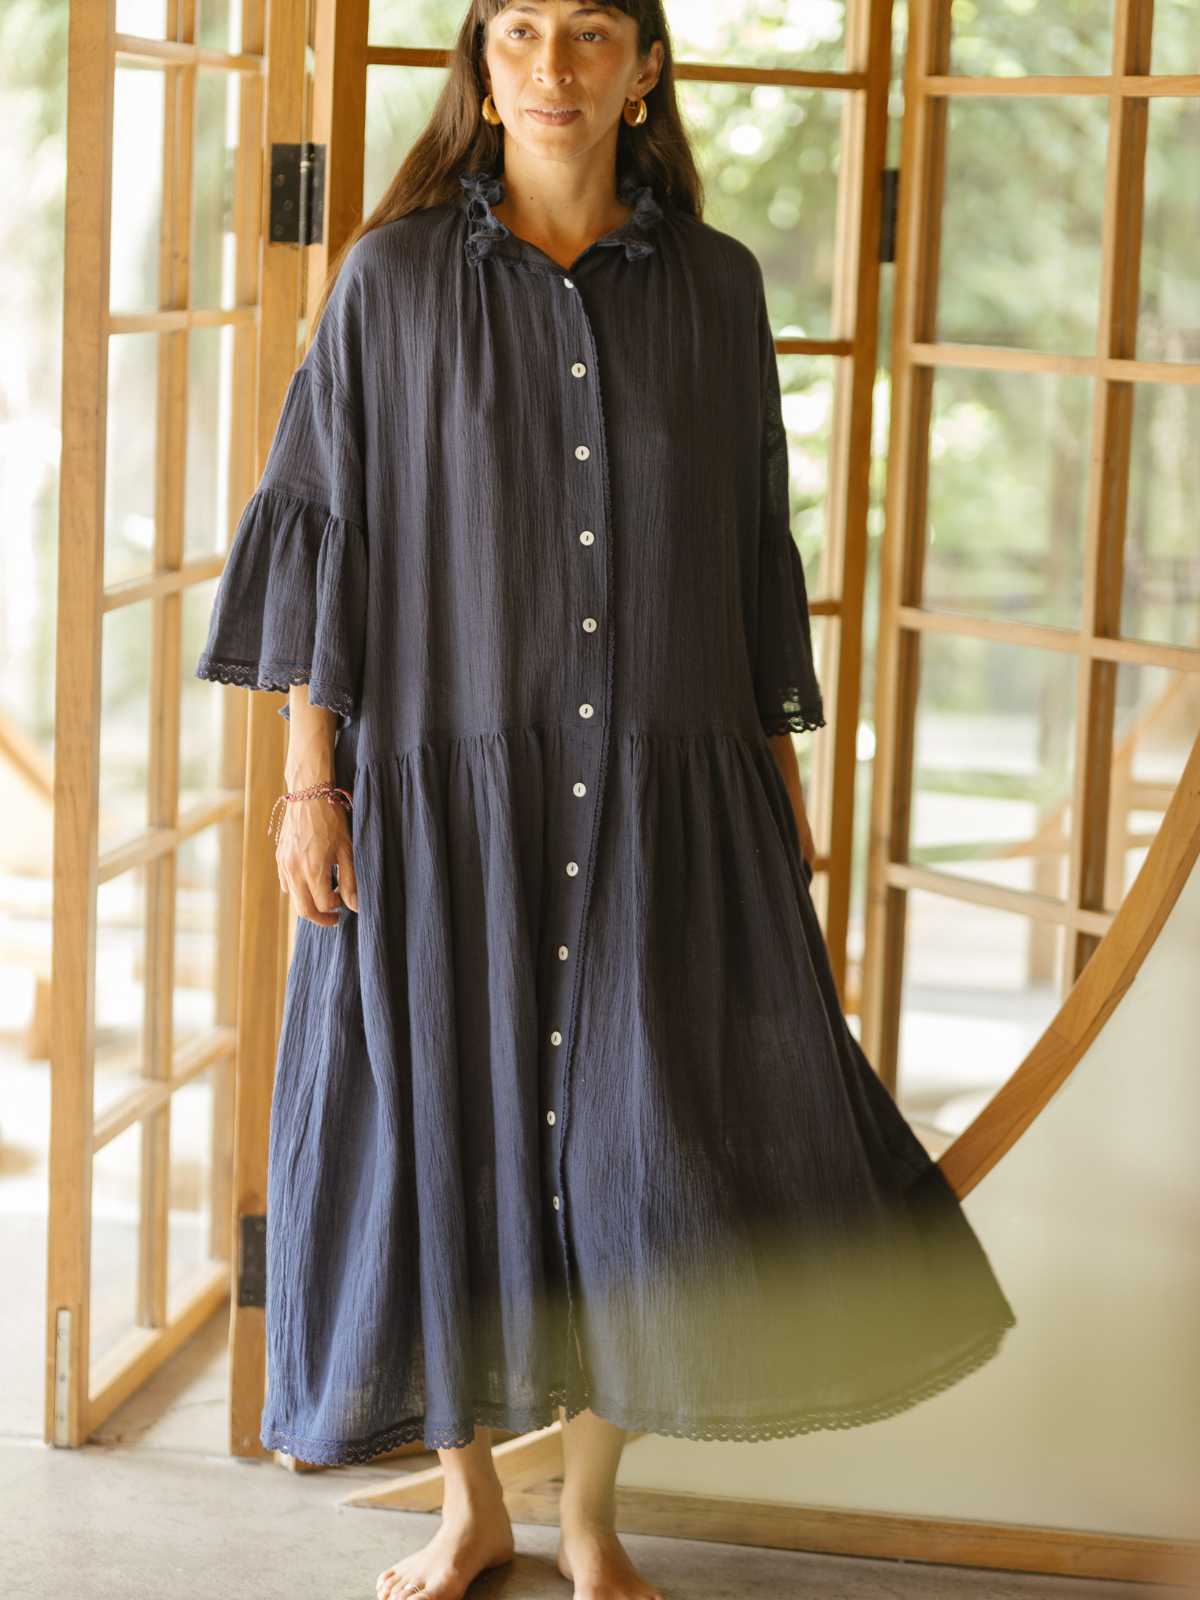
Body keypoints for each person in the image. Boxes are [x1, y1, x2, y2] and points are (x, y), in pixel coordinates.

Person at [194, 3, 1018, 1598]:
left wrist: (778, 798)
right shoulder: (395, 283)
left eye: (590, 34)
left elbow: (745, 559)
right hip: (442, 799)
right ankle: (468, 1507)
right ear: (480, 68)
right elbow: (327, 531)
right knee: (446, 1133)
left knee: (638, 1158)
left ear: (645, 66)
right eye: (519, 34)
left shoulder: (718, 293)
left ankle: (583, 1519)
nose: (554, 69)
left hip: (661, 796)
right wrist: (312, 779)